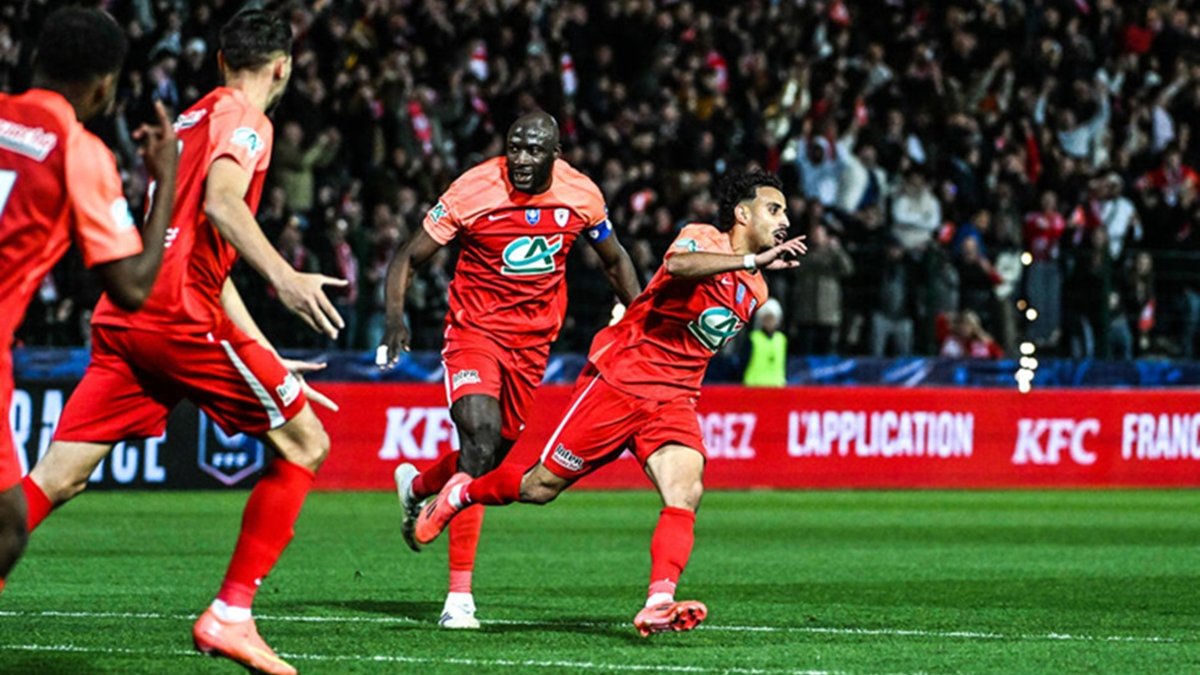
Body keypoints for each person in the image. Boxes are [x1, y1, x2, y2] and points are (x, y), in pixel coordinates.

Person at [19, 10, 343, 675]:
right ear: (283, 67)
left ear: (221, 60)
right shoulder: (248, 121)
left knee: (58, 476)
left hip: (130, 313)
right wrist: (284, 277)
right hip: (179, 318)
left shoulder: (193, 119)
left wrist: (261, 350)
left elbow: (199, 251)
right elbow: (224, 204)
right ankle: (230, 614)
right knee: (306, 442)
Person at [410, 170, 806, 636]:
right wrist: (750, 260)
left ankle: (659, 601)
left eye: (784, 212)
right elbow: (679, 266)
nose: (784, 220)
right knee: (540, 487)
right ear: (742, 214)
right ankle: (460, 494)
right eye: (773, 209)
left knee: (686, 492)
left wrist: (753, 267)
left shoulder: (757, 290)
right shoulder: (703, 238)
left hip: (675, 398)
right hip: (620, 380)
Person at [377, 111, 641, 629]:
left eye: (533, 150)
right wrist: (393, 319)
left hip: (532, 346)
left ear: (555, 155)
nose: (520, 159)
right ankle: (459, 599)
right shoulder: (474, 189)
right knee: (478, 443)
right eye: (514, 147)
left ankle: (417, 488)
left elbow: (614, 261)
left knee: (490, 458)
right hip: (474, 333)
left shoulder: (580, 195)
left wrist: (640, 320)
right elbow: (409, 256)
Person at [0, 7, 179, 594]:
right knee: (7, 529)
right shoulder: (79, 153)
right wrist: (166, 180)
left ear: (36, 60)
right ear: (105, 86)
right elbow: (132, 288)